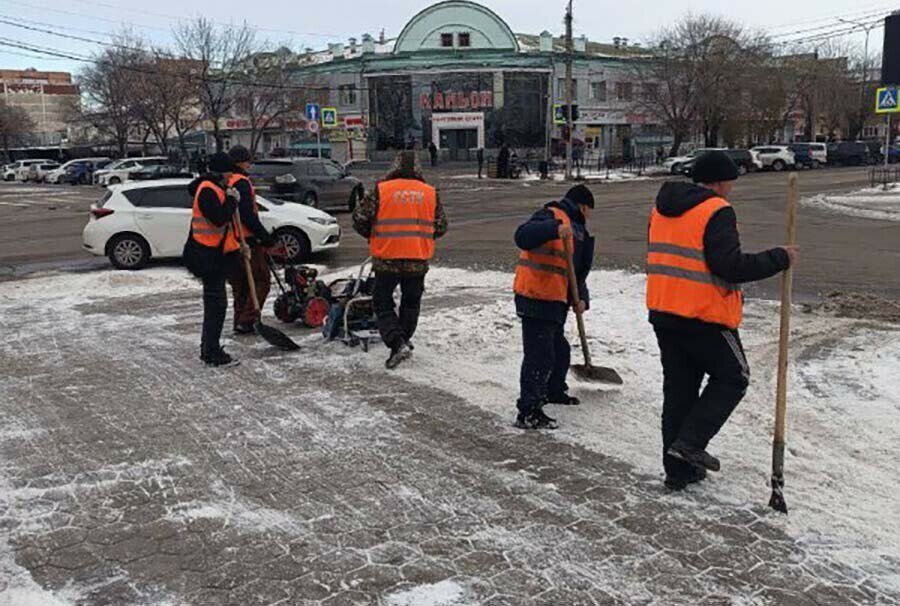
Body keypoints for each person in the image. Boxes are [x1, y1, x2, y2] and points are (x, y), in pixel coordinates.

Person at [647, 151, 799, 490]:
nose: (732, 187)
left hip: (665, 311)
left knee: (680, 392)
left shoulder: (662, 208)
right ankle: (689, 444)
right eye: (730, 181)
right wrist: (779, 258)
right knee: (734, 377)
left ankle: (678, 469)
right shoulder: (716, 210)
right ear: (718, 181)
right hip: (704, 315)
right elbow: (729, 266)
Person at [352, 151, 448, 369]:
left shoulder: (381, 189)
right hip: (417, 258)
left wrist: (372, 234)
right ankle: (403, 340)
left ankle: (397, 343)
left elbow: (359, 218)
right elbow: (441, 226)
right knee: (411, 303)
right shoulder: (430, 192)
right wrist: (419, 236)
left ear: (394, 166)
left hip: (387, 258)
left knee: (382, 302)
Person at [513, 185, 596, 430]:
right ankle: (528, 410)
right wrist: (553, 229)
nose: (589, 215)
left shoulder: (579, 231)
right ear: (583, 206)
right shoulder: (550, 216)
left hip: (555, 299)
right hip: (535, 295)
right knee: (539, 355)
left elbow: (577, 273)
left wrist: (581, 298)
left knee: (559, 350)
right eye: (590, 210)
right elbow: (522, 236)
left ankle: (553, 390)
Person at [183, 152, 242, 367]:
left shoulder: (214, 187)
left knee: (216, 304)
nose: (230, 177)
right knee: (216, 305)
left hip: (212, 254)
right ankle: (211, 351)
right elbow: (218, 218)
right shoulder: (207, 190)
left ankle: (210, 348)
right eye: (228, 173)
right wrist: (232, 202)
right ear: (221, 172)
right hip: (207, 256)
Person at [225, 145, 281, 334]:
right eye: (247, 160)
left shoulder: (226, 180)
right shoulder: (241, 182)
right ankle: (248, 319)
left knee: (240, 284)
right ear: (241, 162)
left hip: (229, 240)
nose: (249, 164)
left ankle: (239, 320)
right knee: (261, 279)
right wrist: (265, 238)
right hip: (245, 239)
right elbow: (248, 215)